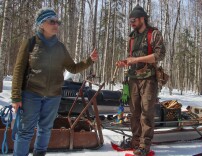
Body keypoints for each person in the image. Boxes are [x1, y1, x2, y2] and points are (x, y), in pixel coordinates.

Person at [11, 8, 98, 156]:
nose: (56, 25)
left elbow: (73, 68)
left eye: (57, 22)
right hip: (31, 94)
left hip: (53, 96)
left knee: (45, 130)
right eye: (52, 21)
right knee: (25, 131)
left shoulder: (60, 47)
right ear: (41, 24)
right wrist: (15, 97)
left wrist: (89, 60)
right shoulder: (30, 43)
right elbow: (18, 70)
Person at [116, 5, 166, 156]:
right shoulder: (132, 37)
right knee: (134, 113)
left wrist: (136, 59)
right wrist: (125, 62)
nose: (131, 22)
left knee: (146, 113)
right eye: (130, 20)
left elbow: (159, 55)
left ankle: (145, 145)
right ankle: (136, 141)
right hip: (133, 79)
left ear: (142, 18)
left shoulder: (153, 34)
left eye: (134, 19)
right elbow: (132, 57)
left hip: (148, 79)